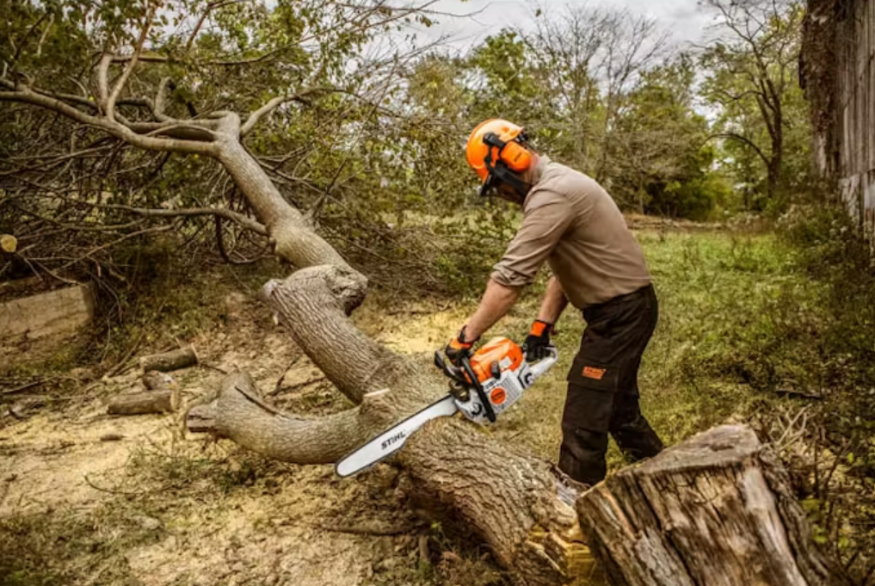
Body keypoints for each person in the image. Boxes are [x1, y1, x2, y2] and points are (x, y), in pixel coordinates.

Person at [443, 118, 664, 486]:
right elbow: (564, 267)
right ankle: (669, 476)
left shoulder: (553, 194)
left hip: (622, 314)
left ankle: (574, 500)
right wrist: (541, 326)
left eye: (496, 184)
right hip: (623, 310)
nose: (501, 194)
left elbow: (510, 278)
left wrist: (465, 337)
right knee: (618, 409)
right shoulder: (555, 185)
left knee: (584, 414)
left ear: (511, 160)